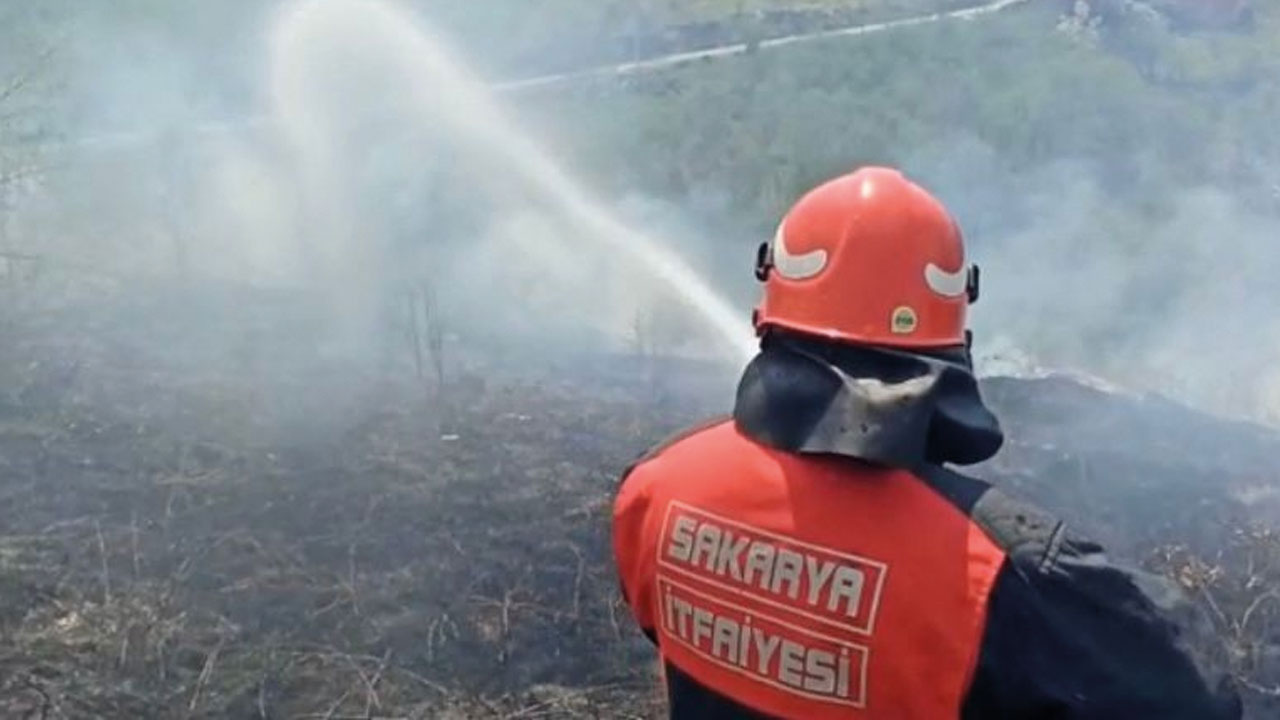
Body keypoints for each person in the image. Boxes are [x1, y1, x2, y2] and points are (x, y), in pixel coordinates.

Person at [611, 167, 1242, 719]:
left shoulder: (658, 485)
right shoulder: (1002, 572)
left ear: (769, 304)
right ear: (950, 328)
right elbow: (1195, 699)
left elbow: (661, 624)